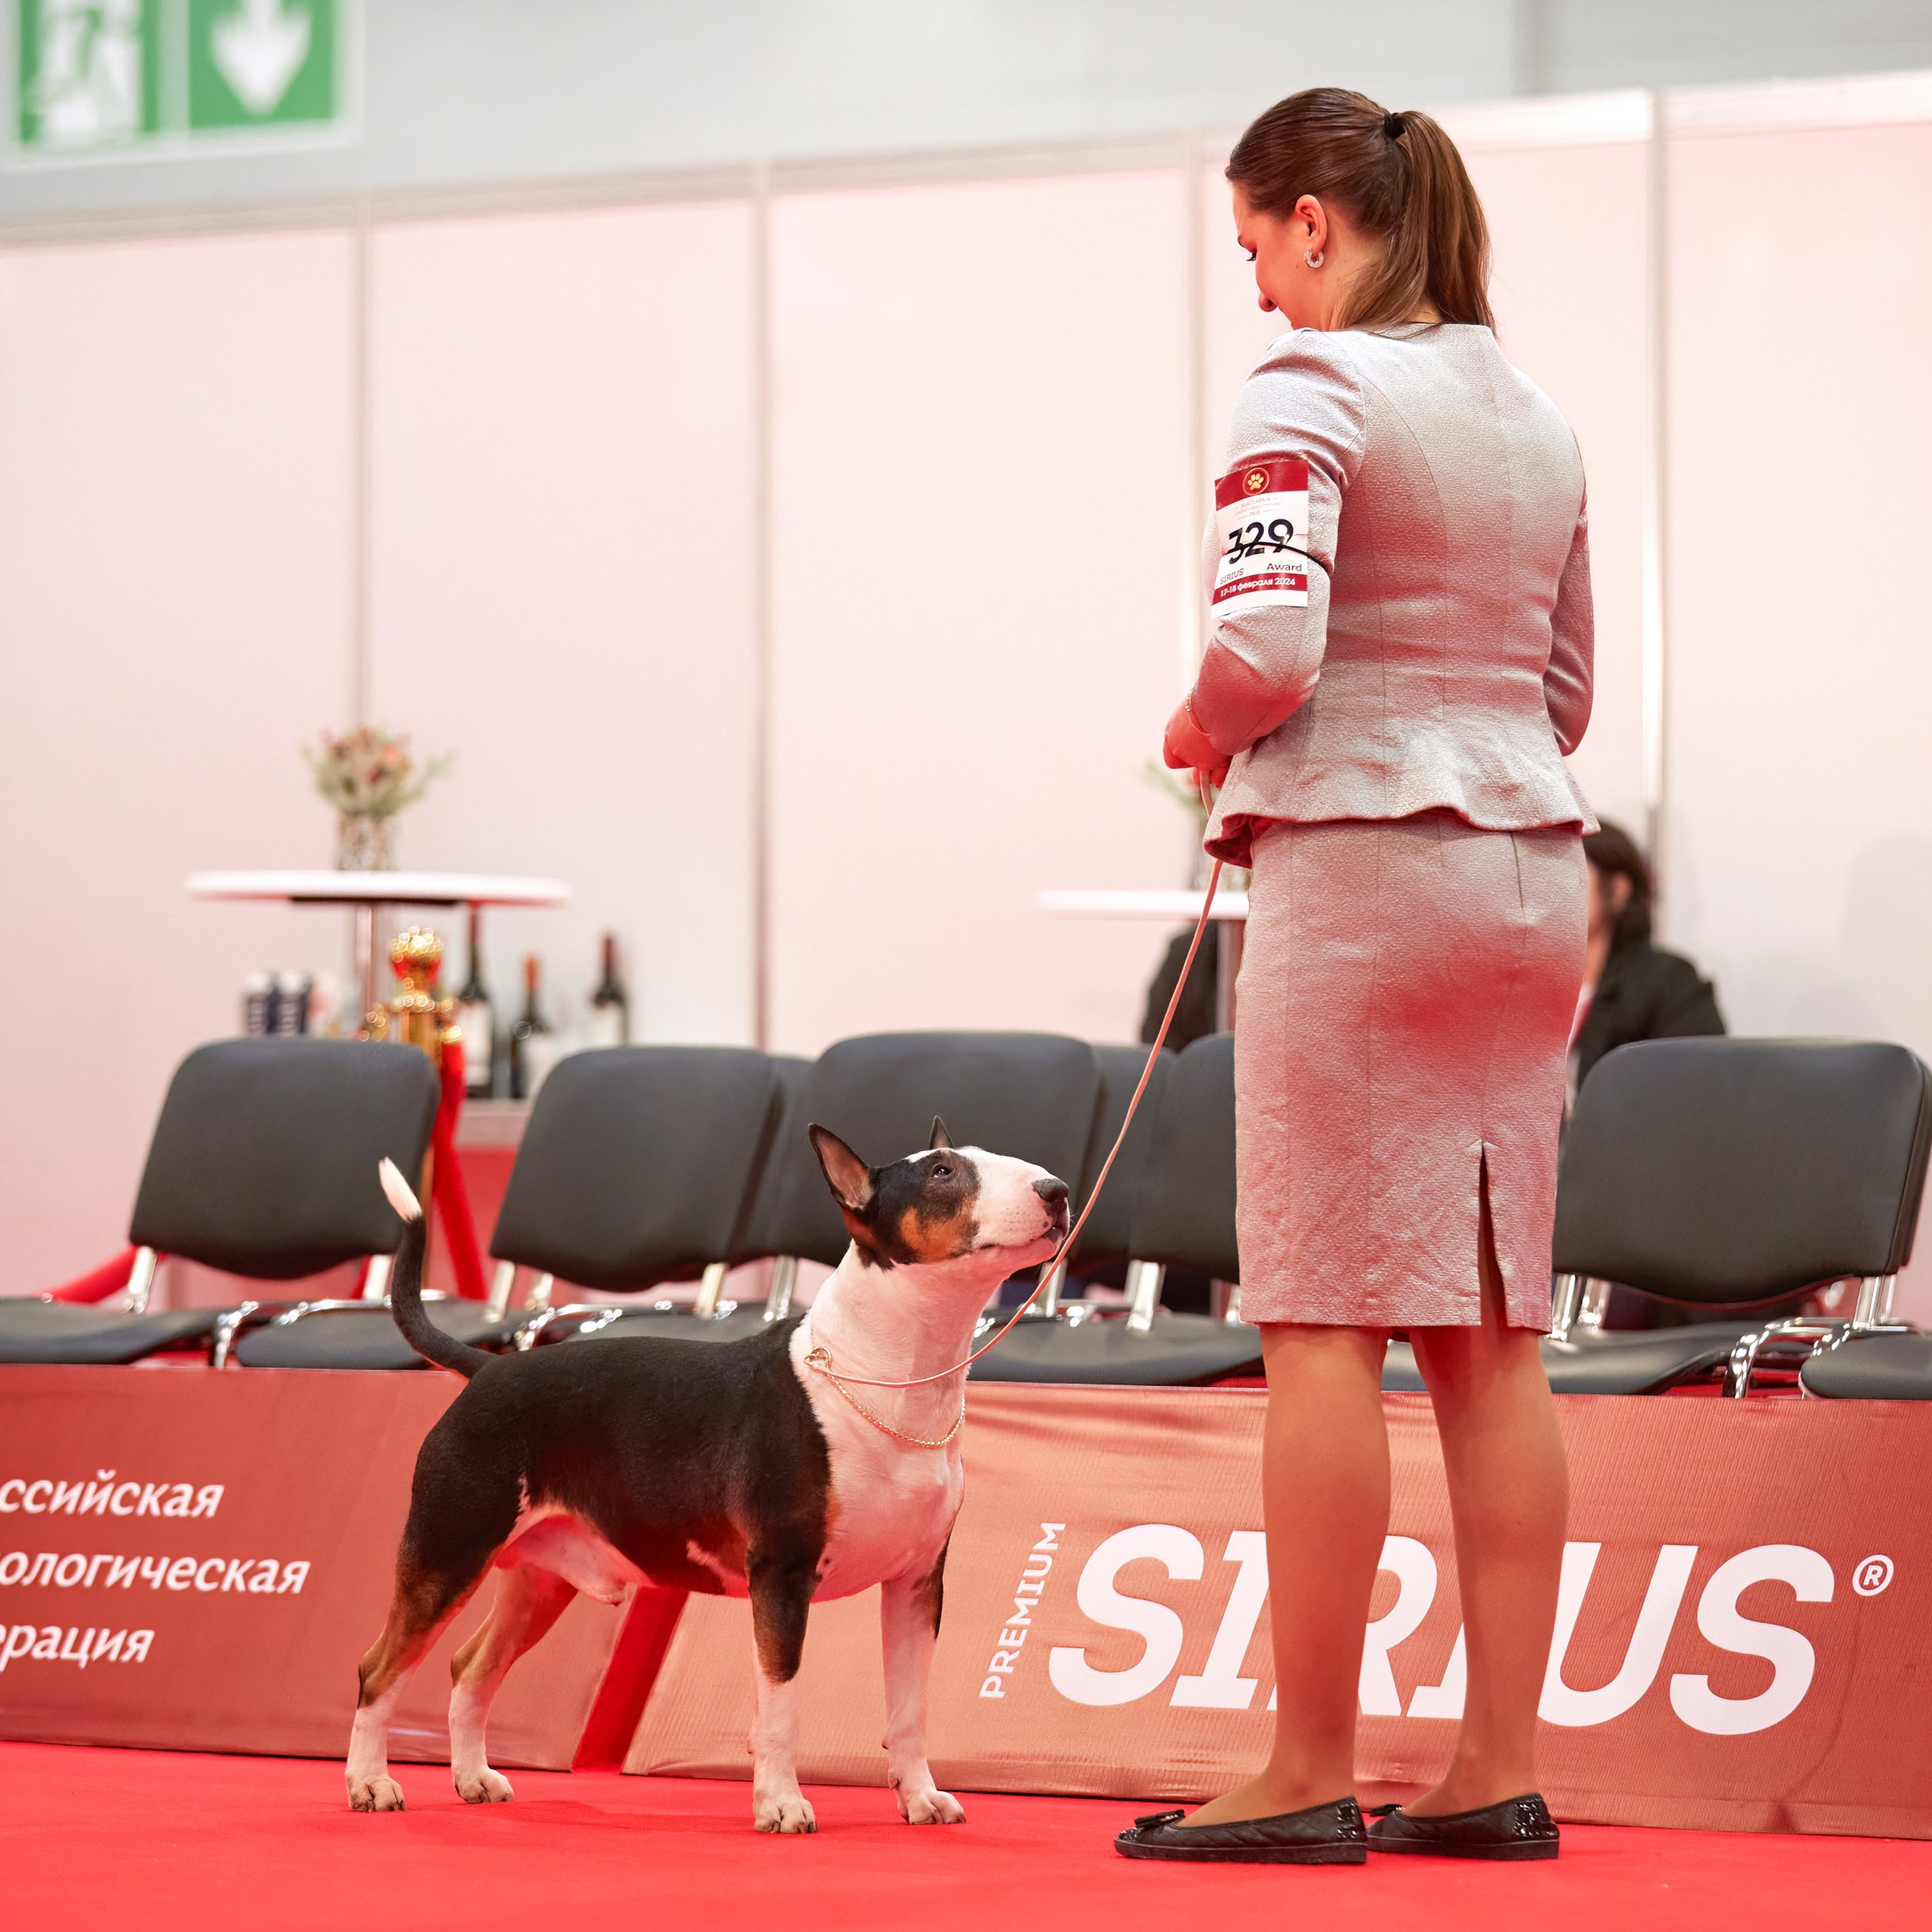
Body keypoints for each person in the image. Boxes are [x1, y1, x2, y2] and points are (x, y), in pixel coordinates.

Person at [1114, 89, 1589, 1869]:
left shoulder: (1311, 389)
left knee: (1316, 1316)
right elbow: (1560, 691)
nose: (1252, 290)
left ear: (1314, 220)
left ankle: (1303, 1757)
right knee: (1488, 1331)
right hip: (1527, 872)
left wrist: (1191, 729)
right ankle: (1489, 1759)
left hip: (1364, 865)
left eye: (1250, 245)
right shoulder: (1535, 419)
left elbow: (1264, 639)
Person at [1574, 820, 1724, 1094]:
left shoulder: (1670, 984)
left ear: (1617, 891)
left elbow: (1702, 1090)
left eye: (1569, 876)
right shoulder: (1514, 984)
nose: (1550, 893)